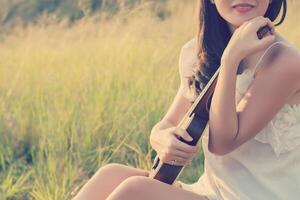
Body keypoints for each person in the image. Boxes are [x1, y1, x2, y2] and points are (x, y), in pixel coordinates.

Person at [72, 0, 300, 199]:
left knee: (136, 191)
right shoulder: (201, 52)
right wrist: (163, 140)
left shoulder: (285, 62)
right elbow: (165, 125)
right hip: (215, 190)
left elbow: (222, 143)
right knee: (110, 175)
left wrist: (230, 60)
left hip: (260, 195)